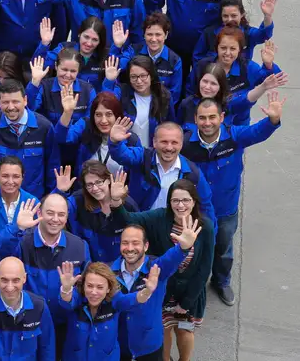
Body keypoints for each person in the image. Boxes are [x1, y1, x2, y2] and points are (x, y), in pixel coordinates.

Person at [180, 95, 283, 306]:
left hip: (226, 209)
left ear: (222, 117)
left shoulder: (234, 136)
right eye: (202, 118)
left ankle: (221, 281)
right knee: (193, 248)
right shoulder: (185, 142)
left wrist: (272, 121)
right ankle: (192, 286)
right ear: (195, 119)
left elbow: (256, 132)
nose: (207, 123)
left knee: (224, 248)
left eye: (212, 117)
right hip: (196, 211)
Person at [110, 178, 215, 361]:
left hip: (190, 291)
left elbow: (205, 268)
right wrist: (117, 202)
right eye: (175, 200)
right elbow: (128, 219)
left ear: (194, 201)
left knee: (184, 331)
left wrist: (187, 301)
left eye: (185, 200)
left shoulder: (205, 227)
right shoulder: (158, 217)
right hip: (161, 287)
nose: (180, 205)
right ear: (169, 202)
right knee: (163, 329)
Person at [0, 195, 91, 331]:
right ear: (39, 213)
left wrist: (68, 296)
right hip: (26, 325)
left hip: (67, 326)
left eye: (61, 214)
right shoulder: (22, 241)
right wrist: (17, 228)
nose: (55, 219)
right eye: (50, 213)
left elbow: (86, 288)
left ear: (67, 217)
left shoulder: (80, 246)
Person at [112, 221, 202, 361]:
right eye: (125, 243)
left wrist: (183, 247)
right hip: (119, 345)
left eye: (135, 243)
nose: (129, 248)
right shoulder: (109, 273)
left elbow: (170, 259)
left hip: (149, 346)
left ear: (146, 246)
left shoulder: (156, 268)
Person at [108, 120, 216, 229]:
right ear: (154, 142)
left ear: (181, 144)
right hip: (141, 227)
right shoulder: (142, 158)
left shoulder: (192, 173)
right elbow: (123, 156)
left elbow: (205, 206)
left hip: (173, 231)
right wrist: (115, 142)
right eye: (164, 142)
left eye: (174, 142)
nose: (169, 148)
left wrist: (209, 239)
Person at [57, 260, 160, 361]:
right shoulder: (77, 297)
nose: (94, 292)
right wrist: (66, 289)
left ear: (108, 289)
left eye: (100, 287)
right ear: (83, 285)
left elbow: (135, 299)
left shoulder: (115, 300)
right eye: (89, 286)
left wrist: (147, 291)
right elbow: (66, 301)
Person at [0, 258, 55, 360]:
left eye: (16, 280)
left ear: (24, 278)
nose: (10, 287)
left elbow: (47, 347)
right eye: (4, 280)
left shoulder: (39, 306)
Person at [188, 28, 282, 125]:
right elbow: (190, 92)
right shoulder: (203, 65)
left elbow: (274, 79)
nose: (227, 53)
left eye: (232, 49)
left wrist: (268, 65)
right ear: (217, 48)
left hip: (238, 125)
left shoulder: (247, 67)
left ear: (239, 50)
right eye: (223, 48)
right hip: (206, 123)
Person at [55, 161, 140, 262]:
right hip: (87, 268)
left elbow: (139, 238)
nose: (95, 189)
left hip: (119, 269)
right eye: (89, 185)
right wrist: (60, 192)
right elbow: (52, 211)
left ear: (108, 180)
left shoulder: (128, 205)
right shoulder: (77, 201)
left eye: (99, 182)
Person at [177, 62, 286, 132]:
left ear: (221, 86)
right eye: (204, 81)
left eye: (213, 84)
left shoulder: (228, 104)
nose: (207, 87)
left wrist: (263, 87)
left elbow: (246, 99)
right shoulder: (186, 104)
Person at [54, 91, 142, 175]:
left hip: (119, 189)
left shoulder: (131, 139)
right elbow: (61, 138)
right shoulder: (86, 126)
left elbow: (138, 172)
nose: (103, 121)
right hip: (87, 188)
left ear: (117, 115)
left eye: (109, 114)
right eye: (98, 115)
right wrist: (67, 113)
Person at [103, 56, 175, 145]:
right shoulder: (122, 91)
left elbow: (171, 126)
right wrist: (109, 81)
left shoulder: (164, 96)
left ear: (151, 76)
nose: (139, 81)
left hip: (153, 153)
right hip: (127, 152)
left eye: (143, 76)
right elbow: (107, 103)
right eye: (134, 77)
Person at [111, 14, 183, 102]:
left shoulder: (174, 60)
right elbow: (116, 68)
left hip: (159, 110)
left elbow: (174, 95)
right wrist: (117, 46)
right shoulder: (133, 51)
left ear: (166, 35)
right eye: (149, 34)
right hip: (133, 106)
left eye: (158, 34)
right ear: (144, 35)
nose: (153, 39)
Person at [192, 0, 276, 64]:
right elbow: (197, 58)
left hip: (240, 80)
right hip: (214, 79)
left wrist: (267, 16)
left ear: (242, 14)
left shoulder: (248, 34)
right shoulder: (209, 33)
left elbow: (264, 35)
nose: (229, 20)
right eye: (225, 16)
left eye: (234, 16)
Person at [33, 16, 113, 90]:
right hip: (62, 98)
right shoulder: (64, 48)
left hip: (91, 102)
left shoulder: (106, 57)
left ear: (100, 41)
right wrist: (44, 44)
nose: (89, 43)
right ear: (79, 34)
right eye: (86, 37)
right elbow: (38, 65)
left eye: (95, 40)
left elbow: (112, 87)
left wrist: (117, 47)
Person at [26, 49, 96, 125]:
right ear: (56, 66)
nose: (68, 75)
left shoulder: (88, 90)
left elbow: (90, 120)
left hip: (77, 135)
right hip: (48, 134)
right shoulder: (44, 87)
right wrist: (35, 82)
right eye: (64, 69)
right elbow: (29, 110)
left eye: (73, 71)